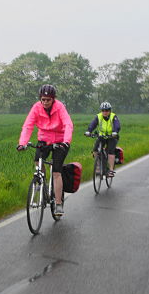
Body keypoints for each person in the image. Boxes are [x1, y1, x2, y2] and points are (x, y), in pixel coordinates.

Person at [16, 84, 73, 217]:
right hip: (44, 140)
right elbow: (28, 125)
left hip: (60, 141)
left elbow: (68, 124)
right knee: (37, 161)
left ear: (53, 99)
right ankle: (41, 183)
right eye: (43, 99)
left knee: (57, 172)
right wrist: (22, 143)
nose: (45, 102)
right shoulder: (36, 107)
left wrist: (66, 142)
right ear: (40, 99)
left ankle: (58, 204)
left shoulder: (59, 107)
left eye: (48, 99)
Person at [85, 102, 121, 177]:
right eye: (103, 110)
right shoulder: (98, 116)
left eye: (107, 110)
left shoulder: (113, 116)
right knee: (95, 150)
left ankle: (111, 170)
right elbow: (93, 124)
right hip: (101, 137)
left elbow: (117, 125)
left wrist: (115, 132)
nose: (105, 112)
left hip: (112, 137)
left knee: (110, 151)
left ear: (110, 110)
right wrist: (89, 131)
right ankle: (98, 166)